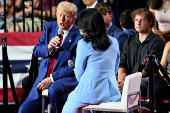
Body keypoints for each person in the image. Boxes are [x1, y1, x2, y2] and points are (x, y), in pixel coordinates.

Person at [18, 1, 82, 113]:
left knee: (54, 90)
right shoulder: (49, 28)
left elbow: (74, 65)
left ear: (74, 18)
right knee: (24, 110)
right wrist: (48, 47)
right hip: (43, 78)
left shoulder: (79, 36)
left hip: (64, 78)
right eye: (59, 15)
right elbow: (36, 51)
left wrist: (52, 78)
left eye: (66, 16)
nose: (61, 20)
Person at [62, 8, 121, 113]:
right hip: (111, 93)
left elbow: (78, 72)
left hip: (89, 92)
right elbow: (116, 68)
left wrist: (86, 83)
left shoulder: (83, 44)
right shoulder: (114, 41)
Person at [117, 8, 165, 101]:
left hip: (146, 79)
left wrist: (127, 82)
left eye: (142, 20)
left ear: (150, 22)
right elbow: (123, 63)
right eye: (136, 20)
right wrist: (121, 81)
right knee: (109, 84)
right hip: (128, 79)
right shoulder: (130, 40)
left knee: (136, 84)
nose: (138, 23)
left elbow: (147, 69)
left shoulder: (157, 41)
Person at [153, 41, 170, 113]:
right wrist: (166, 77)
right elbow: (162, 66)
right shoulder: (169, 44)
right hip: (167, 78)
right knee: (155, 77)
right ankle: (155, 110)